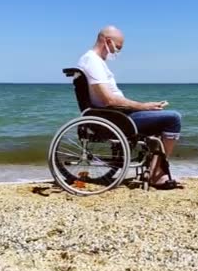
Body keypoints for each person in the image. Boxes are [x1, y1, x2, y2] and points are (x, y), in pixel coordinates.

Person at [77, 25, 182, 186]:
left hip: (114, 115)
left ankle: (154, 168)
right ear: (108, 41)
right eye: (117, 48)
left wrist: (144, 106)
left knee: (160, 116)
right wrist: (144, 106)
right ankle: (157, 173)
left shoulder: (92, 60)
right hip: (114, 119)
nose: (117, 52)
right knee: (173, 118)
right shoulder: (92, 61)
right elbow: (108, 100)